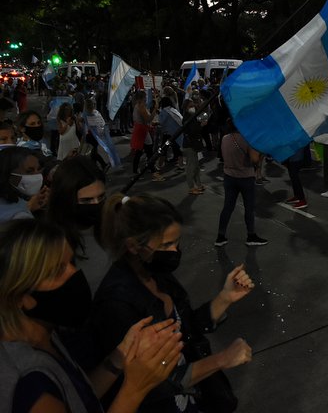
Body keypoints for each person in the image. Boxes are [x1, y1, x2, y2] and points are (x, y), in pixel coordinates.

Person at [91, 194, 254, 412]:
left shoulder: (155, 272)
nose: (174, 252)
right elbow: (151, 381)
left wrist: (225, 298)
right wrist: (221, 360)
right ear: (132, 246)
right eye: (166, 244)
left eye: (176, 242)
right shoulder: (116, 302)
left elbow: (185, 328)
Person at [0, 219, 182, 413]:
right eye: (57, 271)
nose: (75, 273)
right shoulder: (30, 386)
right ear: (19, 296)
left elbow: (78, 399)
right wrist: (135, 389)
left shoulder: (44, 332)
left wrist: (119, 357)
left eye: (71, 262)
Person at [46, 156, 110, 290]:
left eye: (101, 197)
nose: (96, 205)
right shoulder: (50, 244)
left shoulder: (113, 224)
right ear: (64, 200)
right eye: (86, 201)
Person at [215, 119, 268, 247]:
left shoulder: (225, 138)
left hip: (229, 177)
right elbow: (255, 160)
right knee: (249, 208)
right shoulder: (247, 139)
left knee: (228, 207)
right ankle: (251, 236)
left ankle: (220, 237)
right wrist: (261, 152)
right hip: (245, 178)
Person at [0, 146, 48, 223]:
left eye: (38, 169)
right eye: (29, 172)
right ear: (8, 175)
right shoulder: (21, 216)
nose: (37, 176)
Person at [130, 91, 161, 181]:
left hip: (141, 129)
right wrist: (155, 109)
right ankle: (151, 168)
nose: (146, 97)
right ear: (142, 97)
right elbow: (148, 119)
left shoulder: (138, 105)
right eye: (145, 96)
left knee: (142, 150)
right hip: (142, 130)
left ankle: (140, 169)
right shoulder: (141, 106)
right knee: (147, 149)